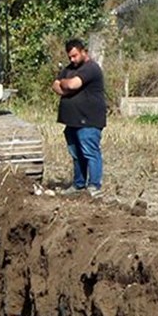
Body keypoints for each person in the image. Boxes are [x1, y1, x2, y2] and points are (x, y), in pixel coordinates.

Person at [51, 38, 107, 197]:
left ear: (84, 52)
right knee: (76, 154)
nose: (72, 60)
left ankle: (94, 186)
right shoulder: (69, 69)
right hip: (72, 120)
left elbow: (72, 85)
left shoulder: (91, 69)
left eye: (75, 56)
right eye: (70, 57)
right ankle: (79, 184)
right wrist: (64, 85)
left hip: (88, 120)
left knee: (90, 152)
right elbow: (56, 86)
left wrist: (65, 85)